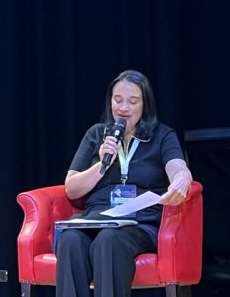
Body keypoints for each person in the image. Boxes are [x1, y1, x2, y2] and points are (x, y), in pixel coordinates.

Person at [55, 69, 194, 297]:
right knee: (70, 240)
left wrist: (181, 180)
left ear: (145, 105)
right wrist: (102, 164)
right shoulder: (96, 134)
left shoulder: (161, 136)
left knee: (109, 240)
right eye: (118, 100)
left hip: (140, 222)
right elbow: (71, 189)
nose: (124, 108)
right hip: (98, 218)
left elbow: (178, 168)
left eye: (133, 101)